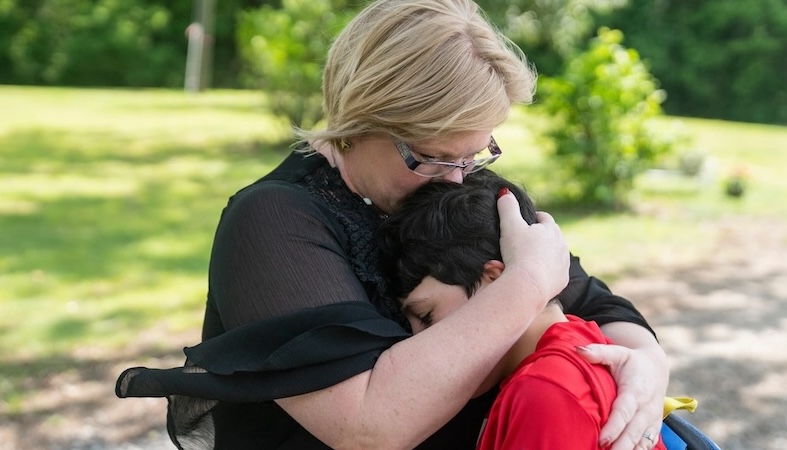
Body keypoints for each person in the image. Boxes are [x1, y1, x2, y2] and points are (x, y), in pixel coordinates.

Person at [115, 0, 668, 449]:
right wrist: (526, 284)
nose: (456, 180)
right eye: (430, 155)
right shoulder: (274, 222)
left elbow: (599, 309)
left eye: (475, 155)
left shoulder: (455, 188)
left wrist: (645, 370)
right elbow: (368, 427)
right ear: (355, 121)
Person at [377, 172, 668, 449]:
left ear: (496, 278)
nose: (417, 340)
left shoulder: (545, 390)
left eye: (427, 316)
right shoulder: (581, 342)